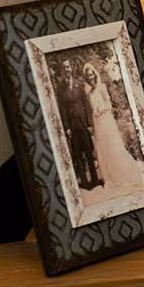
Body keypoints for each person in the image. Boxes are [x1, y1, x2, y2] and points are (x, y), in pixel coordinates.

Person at [83, 61, 144, 193]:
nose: (91, 77)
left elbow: (109, 104)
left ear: (95, 74)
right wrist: (94, 116)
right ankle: (110, 178)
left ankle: (122, 174)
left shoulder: (101, 87)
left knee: (113, 147)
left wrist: (101, 109)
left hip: (106, 121)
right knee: (104, 149)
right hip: (98, 123)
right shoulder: (89, 93)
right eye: (88, 76)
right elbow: (91, 109)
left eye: (92, 75)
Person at [58, 58, 100, 190]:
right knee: (78, 156)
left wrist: (90, 124)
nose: (67, 69)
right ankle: (85, 183)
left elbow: (86, 105)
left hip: (83, 125)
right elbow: (62, 110)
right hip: (73, 127)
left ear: (71, 69)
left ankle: (94, 180)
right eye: (64, 68)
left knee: (89, 152)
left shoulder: (79, 84)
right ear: (62, 71)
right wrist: (66, 128)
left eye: (68, 67)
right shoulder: (60, 89)